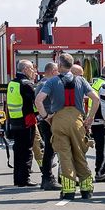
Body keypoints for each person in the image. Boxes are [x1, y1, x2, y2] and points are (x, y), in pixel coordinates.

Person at [34, 53, 101, 200]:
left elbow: (38, 100)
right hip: (77, 121)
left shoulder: (51, 82)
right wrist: (90, 118)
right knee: (79, 153)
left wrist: (46, 117)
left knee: (64, 155)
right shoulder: (80, 80)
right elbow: (96, 99)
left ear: (59, 64)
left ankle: (69, 190)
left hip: (58, 120)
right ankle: (86, 189)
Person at [5, 59, 39, 187]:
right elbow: (36, 102)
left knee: (18, 150)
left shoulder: (12, 83)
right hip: (27, 121)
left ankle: (17, 179)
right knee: (27, 150)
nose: (33, 71)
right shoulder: (26, 84)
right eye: (31, 69)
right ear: (25, 69)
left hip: (14, 121)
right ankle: (25, 178)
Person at [33, 61, 59, 190]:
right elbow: (41, 102)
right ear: (53, 71)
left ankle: (47, 178)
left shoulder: (41, 83)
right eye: (57, 71)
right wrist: (47, 117)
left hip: (45, 119)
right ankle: (48, 179)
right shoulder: (46, 84)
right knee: (50, 150)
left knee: (50, 150)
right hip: (48, 120)